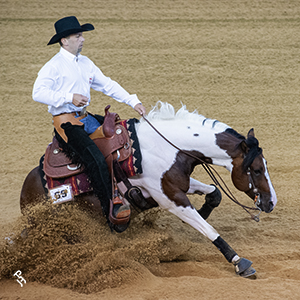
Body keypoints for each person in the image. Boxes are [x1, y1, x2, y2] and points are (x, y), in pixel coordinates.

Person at [32, 16, 146, 232]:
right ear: (64, 41)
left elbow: (108, 85)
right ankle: (110, 211)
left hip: (85, 117)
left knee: (124, 136)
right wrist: (68, 97)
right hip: (66, 122)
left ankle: (131, 189)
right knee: (95, 159)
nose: (82, 39)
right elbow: (38, 92)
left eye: (81, 35)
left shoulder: (86, 63)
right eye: (78, 36)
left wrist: (133, 101)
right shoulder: (53, 66)